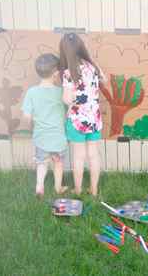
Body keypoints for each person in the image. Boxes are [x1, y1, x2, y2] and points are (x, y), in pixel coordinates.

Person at [59, 33, 106, 196]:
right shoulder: (93, 67)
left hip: (77, 120)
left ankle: (78, 189)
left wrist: (70, 96)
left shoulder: (68, 72)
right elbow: (104, 79)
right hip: (94, 118)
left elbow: (66, 99)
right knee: (93, 155)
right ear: (81, 48)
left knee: (78, 156)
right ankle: (93, 189)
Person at [22, 54, 68, 197]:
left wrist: (31, 126)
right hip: (58, 138)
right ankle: (58, 187)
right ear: (56, 74)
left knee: (42, 163)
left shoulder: (31, 92)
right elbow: (67, 112)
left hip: (41, 137)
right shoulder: (61, 92)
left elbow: (26, 117)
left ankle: (39, 187)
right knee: (58, 163)